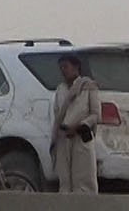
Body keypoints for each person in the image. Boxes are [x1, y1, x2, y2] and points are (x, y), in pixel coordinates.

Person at [52, 54, 100, 193]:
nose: (63, 70)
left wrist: (80, 126)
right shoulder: (60, 90)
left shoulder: (89, 86)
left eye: (65, 66)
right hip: (64, 139)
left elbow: (96, 114)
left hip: (81, 137)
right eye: (61, 67)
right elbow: (57, 114)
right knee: (65, 181)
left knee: (84, 180)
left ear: (76, 67)